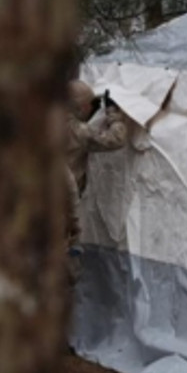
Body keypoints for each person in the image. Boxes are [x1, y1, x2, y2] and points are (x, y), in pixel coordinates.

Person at [65, 80, 132, 275]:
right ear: (82, 106)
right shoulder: (77, 130)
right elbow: (115, 139)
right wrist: (114, 114)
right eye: (92, 105)